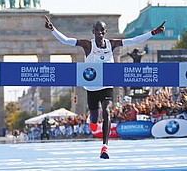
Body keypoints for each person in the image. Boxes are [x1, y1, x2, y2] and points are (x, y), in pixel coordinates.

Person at [45, 15, 165, 159]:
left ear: (105, 32)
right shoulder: (88, 45)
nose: (99, 33)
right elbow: (66, 40)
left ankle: (105, 147)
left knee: (107, 111)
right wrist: (53, 30)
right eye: (96, 30)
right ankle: (93, 121)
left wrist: (152, 33)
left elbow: (133, 40)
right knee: (95, 119)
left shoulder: (111, 44)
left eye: (102, 30)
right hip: (91, 88)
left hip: (107, 86)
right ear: (93, 32)